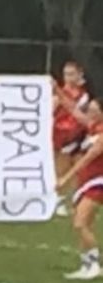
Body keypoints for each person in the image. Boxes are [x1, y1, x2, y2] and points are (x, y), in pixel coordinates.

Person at [55, 87, 103, 280]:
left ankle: (94, 263)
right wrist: (56, 89)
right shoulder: (92, 126)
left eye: (94, 110)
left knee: (80, 223)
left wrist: (66, 178)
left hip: (98, 183)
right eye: (89, 109)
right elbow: (74, 110)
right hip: (87, 180)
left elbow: (87, 159)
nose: (89, 113)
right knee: (84, 223)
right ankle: (87, 265)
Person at [52, 61, 89, 217]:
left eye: (72, 74)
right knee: (62, 168)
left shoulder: (84, 94)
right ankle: (58, 201)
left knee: (79, 170)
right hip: (62, 135)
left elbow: (81, 112)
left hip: (78, 135)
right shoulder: (60, 93)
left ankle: (72, 199)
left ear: (80, 74)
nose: (68, 78)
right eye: (66, 74)